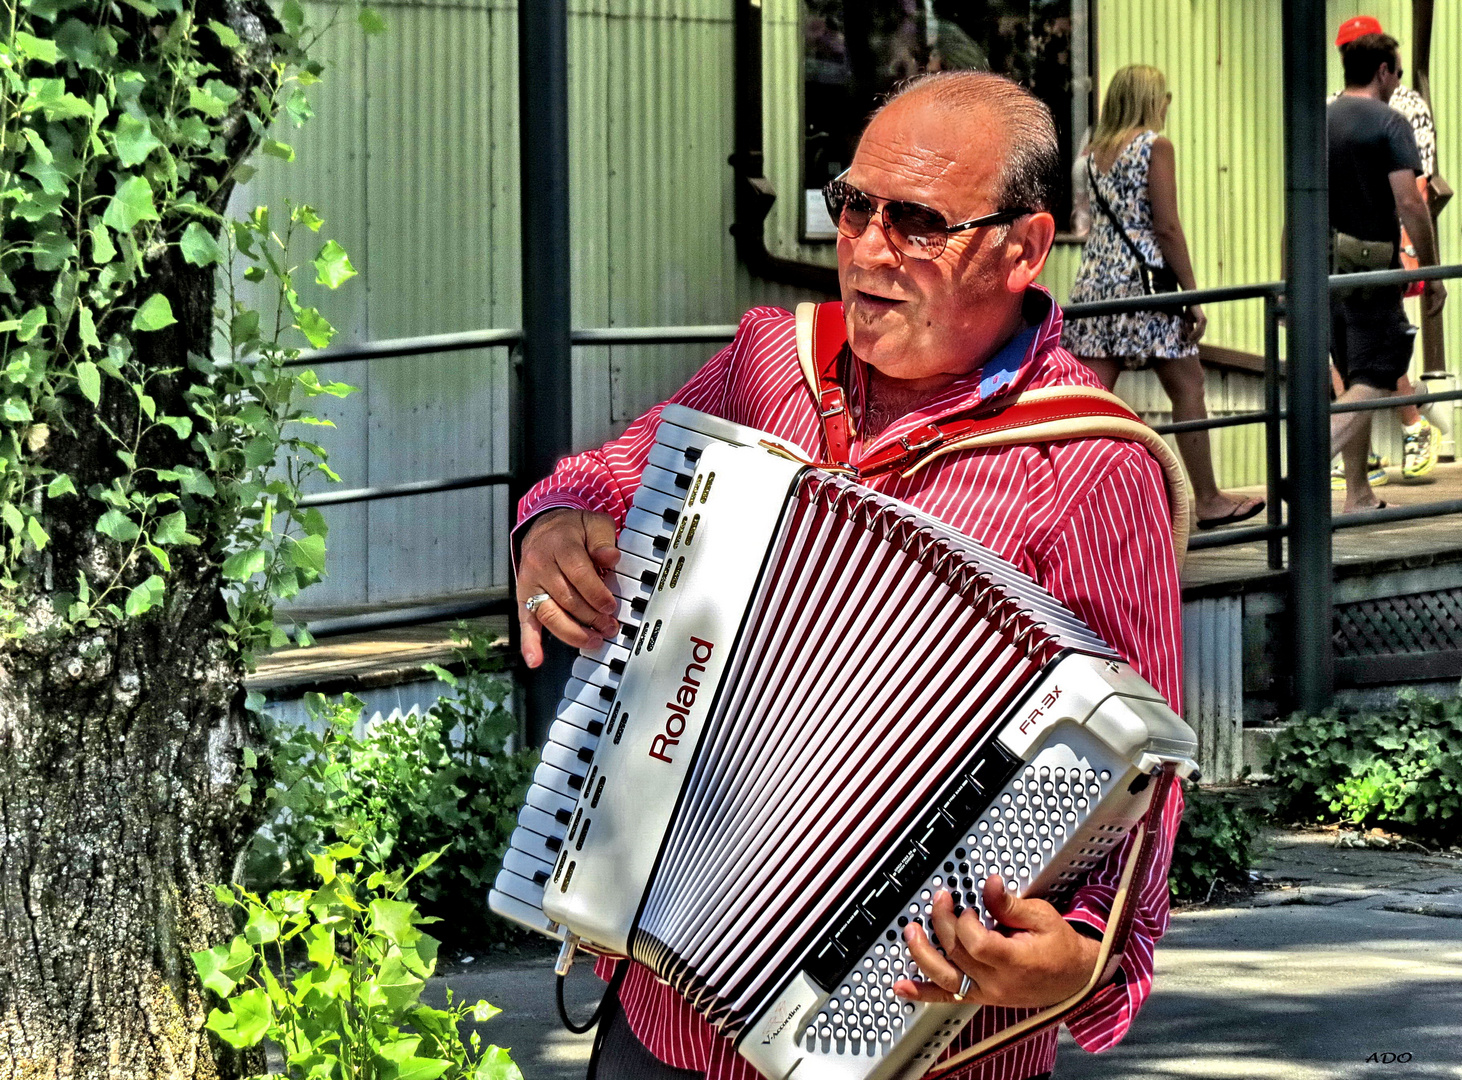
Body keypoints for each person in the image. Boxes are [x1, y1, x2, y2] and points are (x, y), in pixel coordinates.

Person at [515, 72, 1184, 1080]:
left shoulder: (1088, 464)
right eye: (853, 205)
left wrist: (1080, 958)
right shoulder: (770, 364)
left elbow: (1145, 776)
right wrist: (555, 521)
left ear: (1023, 248)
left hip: (912, 1046)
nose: (867, 248)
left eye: (916, 221)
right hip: (662, 1020)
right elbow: (618, 473)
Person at [1062, 64, 1264, 531]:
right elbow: (1166, 227)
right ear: (1152, 100)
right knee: (1188, 385)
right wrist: (1191, 296)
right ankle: (1209, 500)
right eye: (1165, 97)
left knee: (1085, 401)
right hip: (1146, 285)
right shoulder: (1155, 146)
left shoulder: (1091, 154)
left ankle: (1057, 507)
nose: (1167, 105)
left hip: (1096, 284)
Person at [1328, 31, 1446, 513]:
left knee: (1354, 371)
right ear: (1382, 71)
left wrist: (1291, 283)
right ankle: (1312, 457)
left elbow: (1293, 213)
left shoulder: (1319, 120)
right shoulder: (1391, 123)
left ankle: (1358, 493)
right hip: (1371, 268)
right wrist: (1433, 273)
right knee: (1381, 367)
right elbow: (1410, 204)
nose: (1398, 81)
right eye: (1397, 72)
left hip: (1323, 270)